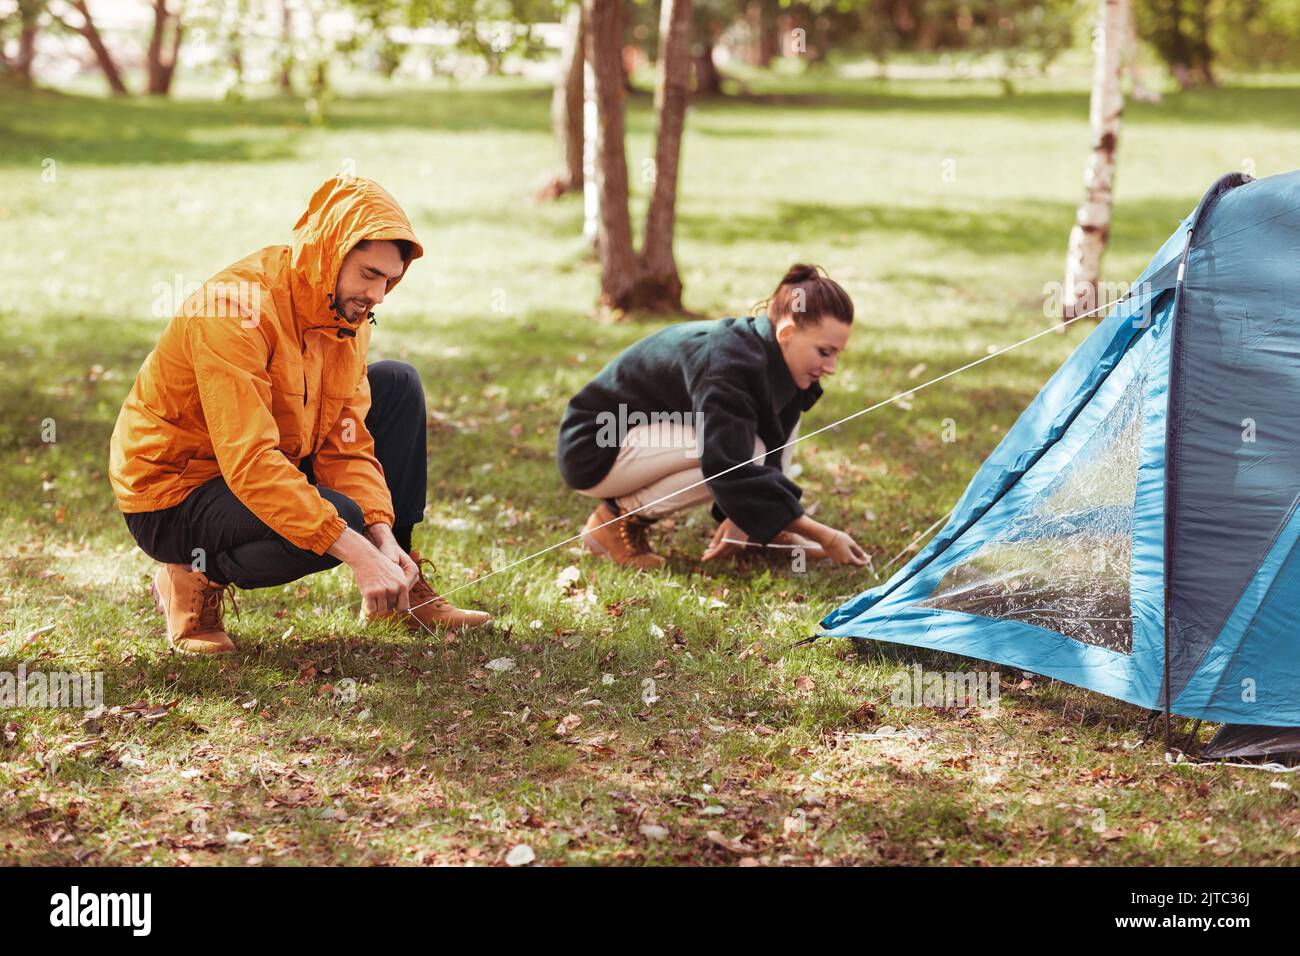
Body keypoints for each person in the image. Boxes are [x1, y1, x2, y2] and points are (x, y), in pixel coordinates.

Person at [108, 175, 491, 655]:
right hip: (174, 491)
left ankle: (402, 582)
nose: (378, 295)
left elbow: (344, 441)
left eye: (390, 281)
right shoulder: (234, 309)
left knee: (397, 383)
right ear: (331, 253)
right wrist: (355, 550)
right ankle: (190, 574)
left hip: (270, 460)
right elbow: (248, 460)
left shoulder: (347, 315)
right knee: (339, 520)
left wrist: (381, 536)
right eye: (369, 274)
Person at [556, 263, 870, 570]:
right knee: (740, 453)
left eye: (837, 355)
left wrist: (746, 518)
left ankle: (764, 533)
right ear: (787, 332)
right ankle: (612, 521)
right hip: (594, 446)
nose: (831, 368)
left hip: (646, 437)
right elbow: (726, 466)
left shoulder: (779, 360)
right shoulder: (730, 363)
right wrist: (824, 536)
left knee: (756, 447)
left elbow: (773, 444)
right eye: (824, 352)